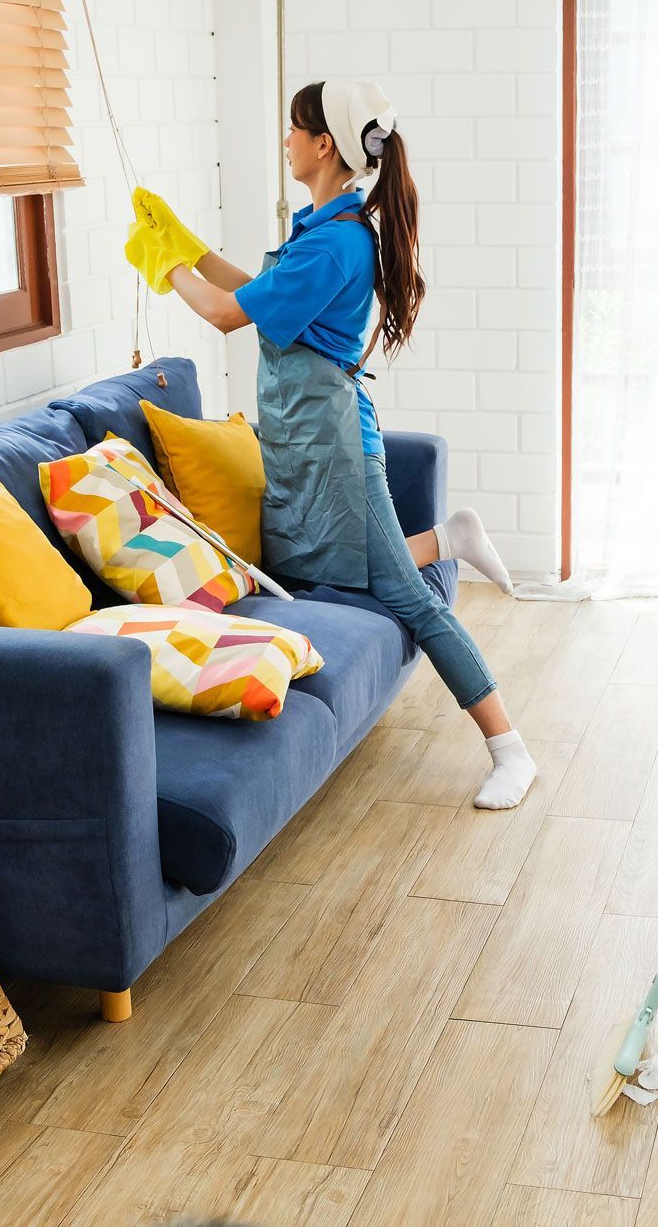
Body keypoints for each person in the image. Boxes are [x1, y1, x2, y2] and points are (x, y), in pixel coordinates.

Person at [123, 79, 538, 811]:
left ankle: (511, 748)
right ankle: (448, 536)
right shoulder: (320, 229)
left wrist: (169, 267)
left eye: (293, 129)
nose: (285, 139)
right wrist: (188, 245)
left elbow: (224, 315)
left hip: (338, 448)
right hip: (299, 445)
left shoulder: (340, 241)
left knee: (408, 600)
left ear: (324, 145)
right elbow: (256, 292)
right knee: (307, 566)